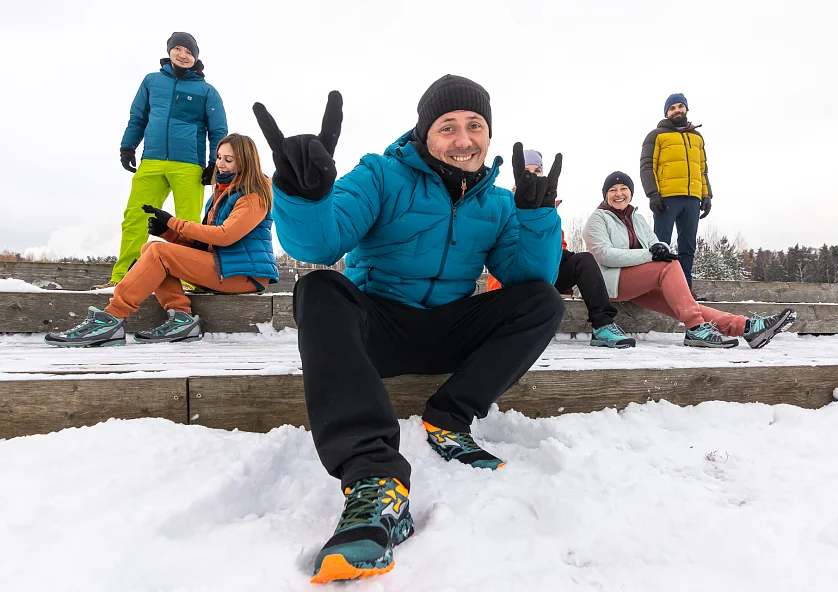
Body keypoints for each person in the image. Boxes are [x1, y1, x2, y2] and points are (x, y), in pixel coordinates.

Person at [253, 75, 565, 583]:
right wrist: (304, 197)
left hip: (449, 327)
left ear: (489, 134)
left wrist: (535, 216)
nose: (464, 140)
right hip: (381, 325)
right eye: (448, 127)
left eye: (475, 126)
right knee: (319, 290)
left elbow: (530, 277)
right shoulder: (381, 174)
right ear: (424, 133)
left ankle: (450, 416)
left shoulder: (499, 201)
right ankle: (374, 480)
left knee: (542, 301)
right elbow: (319, 245)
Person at [46, 134, 277, 347]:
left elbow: (226, 237)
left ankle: (111, 318)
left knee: (159, 253)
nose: (220, 163)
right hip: (225, 266)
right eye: (218, 157)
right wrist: (168, 233)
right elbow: (205, 245)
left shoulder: (254, 194)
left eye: (229, 159)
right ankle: (181, 319)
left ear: (245, 162)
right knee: (152, 247)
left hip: (244, 275)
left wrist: (174, 222)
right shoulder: (223, 192)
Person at [585, 171, 795, 348]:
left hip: (639, 284)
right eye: (612, 190)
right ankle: (695, 329)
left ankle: (746, 328)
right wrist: (651, 254)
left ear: (631, 193)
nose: (618, 194)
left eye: (624, 189)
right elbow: (605, 255)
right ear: (605, 195)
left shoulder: (637, 218)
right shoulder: (597, 219)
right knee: (670, 266)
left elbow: (656, 244)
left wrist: (660, 249)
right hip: (610, 283)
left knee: (687, 304)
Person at [93, 32, 228, 290]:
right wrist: (128, 146)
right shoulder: (151, 82)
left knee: (188, 224)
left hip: (189, 165)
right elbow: (137, 117)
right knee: (135, 217)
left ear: (195, 57)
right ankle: (122, 277)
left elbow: (219, 130)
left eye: (189, 52)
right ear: (169, 52)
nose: (183, 55)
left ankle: (190, 281)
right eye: (178, 49)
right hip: (152, 161)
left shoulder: (206, 91)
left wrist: (213, 164)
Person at [487, 149, 633, 348]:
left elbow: (558, 248)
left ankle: (603, 325)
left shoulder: (550, 206)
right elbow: (499, 250)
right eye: (526, 170)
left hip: (548, 274)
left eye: (537, 170)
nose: (532, 175)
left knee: (584, 260)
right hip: (516, 278)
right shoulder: (503, 203)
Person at [639, 93, 711, 288]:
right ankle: (658, 288)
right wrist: (653, 194)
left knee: (688, 247)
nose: (677, 110)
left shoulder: (697, 137)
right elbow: (647, 167)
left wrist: (707, 195)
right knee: (661, 245)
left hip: (693, 199)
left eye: (680, 106)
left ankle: (684, 289)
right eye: (672, 108)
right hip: (666, 198)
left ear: (686, 109)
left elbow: (702, 168)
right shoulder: (656, 135)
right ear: (666, 112)